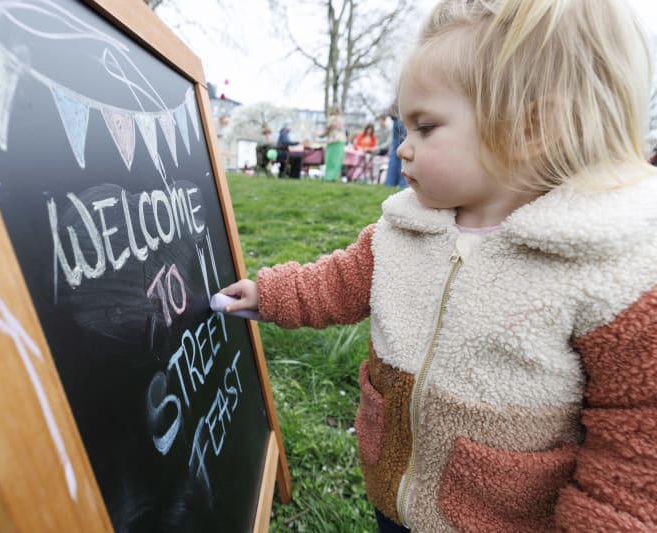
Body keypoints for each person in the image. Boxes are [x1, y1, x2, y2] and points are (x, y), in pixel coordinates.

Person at [218, 1, 657, 531]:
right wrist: (272, 294)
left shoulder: (607, 268)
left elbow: (636, 437)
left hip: (501, 518)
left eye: (425, 128)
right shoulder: (407, 227)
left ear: (532, 127)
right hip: (394, 489)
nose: (402, 149)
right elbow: (339, 282)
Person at [320, 105, 347, 182]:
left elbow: (326, 131)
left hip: (333, 141)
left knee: (330, 160)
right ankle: (334, 177)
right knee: (337, 160)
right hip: (341, 141)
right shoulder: (342, 119)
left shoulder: (331, 119)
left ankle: (329, 177)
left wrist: (318, 135)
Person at [384, 102, 408, 188]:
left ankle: (390, 183)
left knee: (395, 155)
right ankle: (403, 184)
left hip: (396, 120)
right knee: (404, 154)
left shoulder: (397, 96)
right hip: (402, 121)